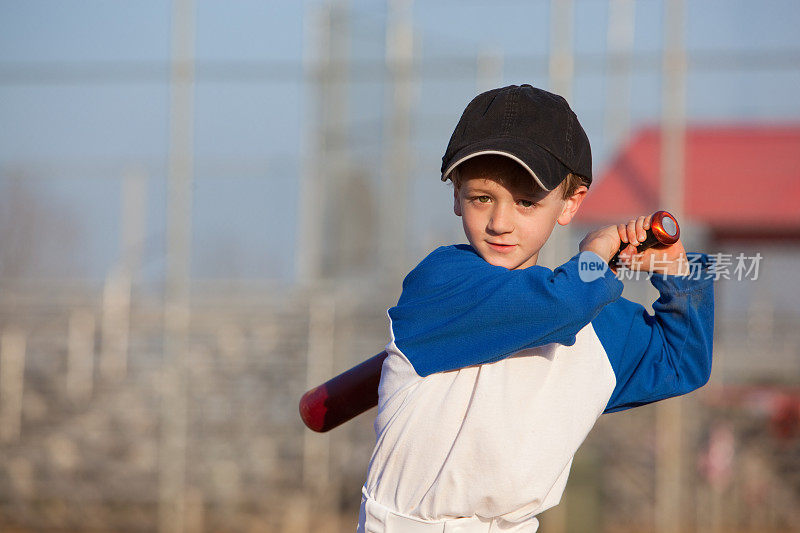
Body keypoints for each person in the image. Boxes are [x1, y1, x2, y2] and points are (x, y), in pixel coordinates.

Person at [357, 84, 714, 533]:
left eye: (527, 201)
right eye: (481, 198)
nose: (500, 222)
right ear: (455, 195)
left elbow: (682, 362)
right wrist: (594, 256)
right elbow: (559, 303)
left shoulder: (592, 320)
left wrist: (677, 270)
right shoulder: (442, 282)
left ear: (570, 203)